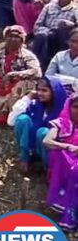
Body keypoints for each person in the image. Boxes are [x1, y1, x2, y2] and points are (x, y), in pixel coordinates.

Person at [0, 25, 42, 125]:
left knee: (25, 83)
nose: (13, 39)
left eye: (16, 37)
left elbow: (37, 72)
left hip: (16, 86)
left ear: (22, 40)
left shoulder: (28, 56)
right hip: (0, 86)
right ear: (5, 38)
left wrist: (13, 75)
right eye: (10, 36)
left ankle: (10, 115)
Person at [8, 77, 67, 173]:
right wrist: (28, 97)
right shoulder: (35, 104)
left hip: (52, 152)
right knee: (22, 120)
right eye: (38, 89)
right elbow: (11, 121)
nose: (39, 93)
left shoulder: (64, 109)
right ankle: (25, 159)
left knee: (43, 132)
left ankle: (48, 169)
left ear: (54, 92)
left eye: (44, 90)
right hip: (31, 149)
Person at [42, 93, 78, 230]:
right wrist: (68, 146)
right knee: (65, 161)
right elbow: (46, 141)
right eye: (75, 106)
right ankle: (68, 214)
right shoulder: (61, 123)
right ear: (69, 107)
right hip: (66, 160)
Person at [31, 0, 78, 69]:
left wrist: (71, 24)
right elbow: (38, 25)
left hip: (63, 37)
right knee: (42, 36)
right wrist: (44, 32)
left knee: (62, 31)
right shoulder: (49, 6)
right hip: (47, 34)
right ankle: (36, 67)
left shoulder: (76, 9)